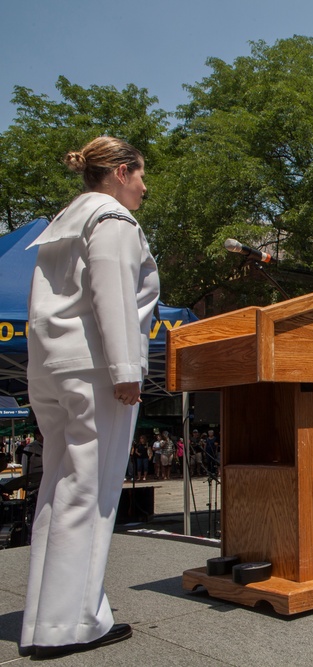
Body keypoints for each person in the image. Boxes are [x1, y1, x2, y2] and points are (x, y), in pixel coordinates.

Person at [21, 136, 159, 658]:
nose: (144, 187)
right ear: (122, 172)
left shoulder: (65, 222)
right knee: (89, 492)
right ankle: (73, 622)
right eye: (141, 175)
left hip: (54, 367)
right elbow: (114, 294)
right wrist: (127, 370)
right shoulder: (113, 220)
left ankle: (46, 617)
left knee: (59, 490)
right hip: (96, 367)